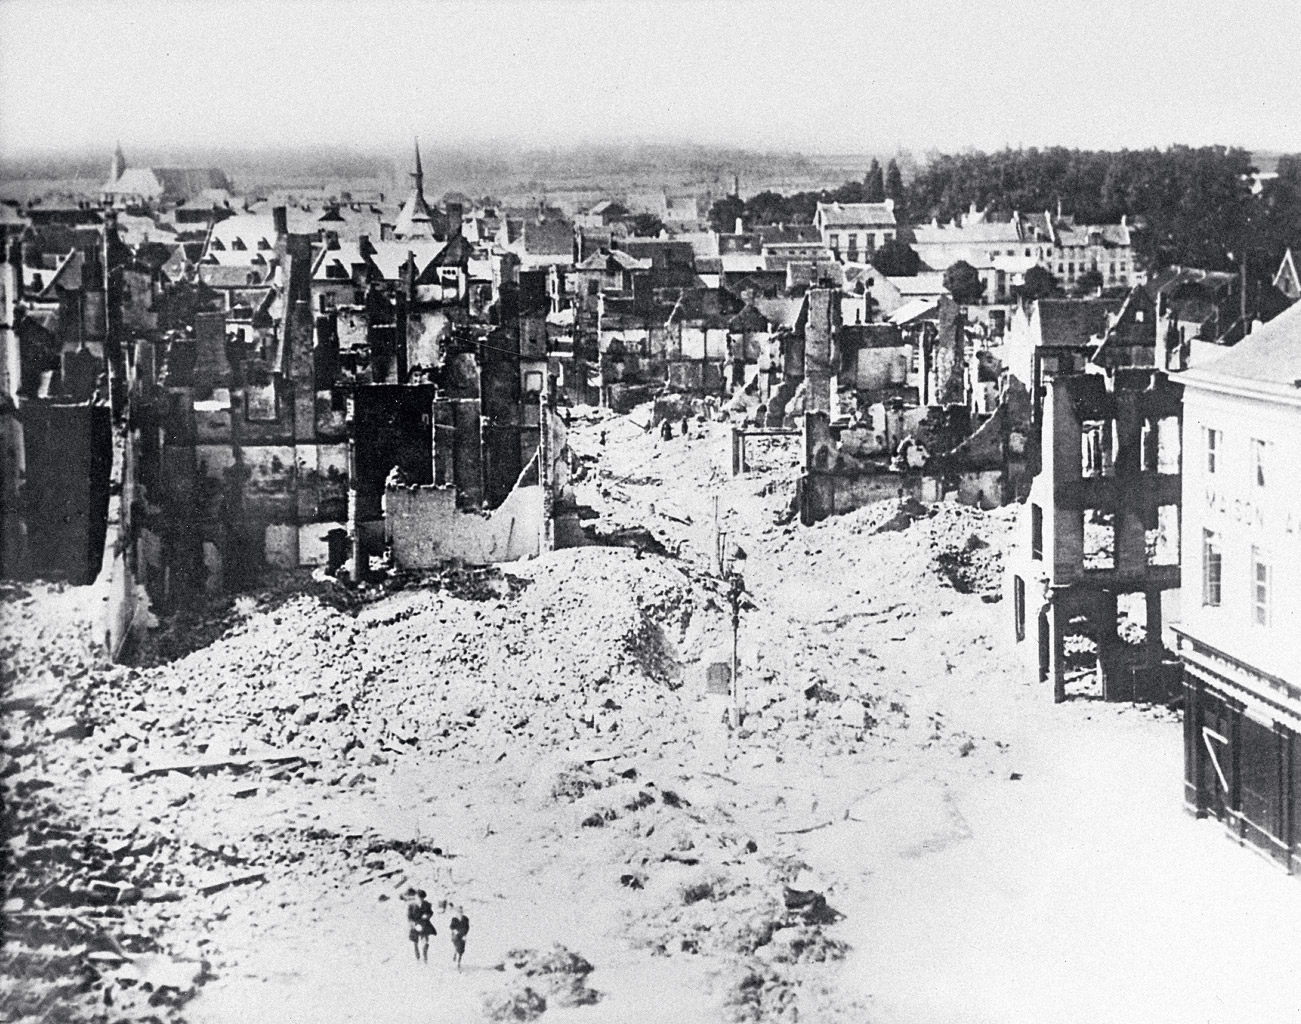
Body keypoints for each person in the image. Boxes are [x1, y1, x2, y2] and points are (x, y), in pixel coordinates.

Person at [407, 889, 435, 963]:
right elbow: (409, 917)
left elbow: (430, 912)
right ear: (416, 897)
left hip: (424, 923)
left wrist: (427, 916)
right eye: (419, 897)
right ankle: (417, 957)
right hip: (415, 925)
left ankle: (425, 956)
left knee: (425, 941)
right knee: (415, 942)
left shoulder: (427, 904)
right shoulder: (411, 906)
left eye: (422, 898)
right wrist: (412, 923)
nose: (421, 899)